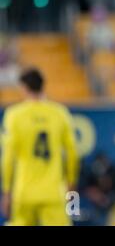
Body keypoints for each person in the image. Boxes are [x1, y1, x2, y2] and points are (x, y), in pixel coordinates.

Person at [0, 68, 79, 226]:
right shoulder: (60, 113)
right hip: (53, 192)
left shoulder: (14, 115)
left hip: (24, 192)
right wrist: (71, 183)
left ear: (23, 87)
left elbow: (8, 157)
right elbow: (72, 153)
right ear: (43, 86)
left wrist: (7, 191)